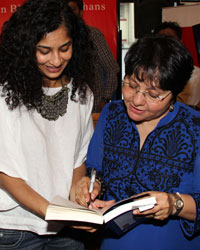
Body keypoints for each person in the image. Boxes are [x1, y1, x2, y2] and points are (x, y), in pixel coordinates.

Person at [75, 35, 200, 250]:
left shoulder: (194, 128)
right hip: (114, 243)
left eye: (153, 95)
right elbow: (97, 171)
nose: (137, 100)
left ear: (174, 94)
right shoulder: (112, 114)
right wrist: (92, 185)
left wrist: (174, 204)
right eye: (131, 85)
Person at [0, 0, 94, 249]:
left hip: (66, 228)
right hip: (15, 228)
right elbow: (6, 174)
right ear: (25, 48)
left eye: (65, 48)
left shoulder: (82, 93)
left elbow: (77, 159)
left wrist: (79, 192)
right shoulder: (4, 95)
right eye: (44, 50)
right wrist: (54, 212)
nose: (56, 59)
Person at [66, 0, 120, 113]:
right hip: (66, 107)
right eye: (64, 10)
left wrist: (105, 99)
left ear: (80, 12)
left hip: (92, 107)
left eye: (72, 9)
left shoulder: (92, 35)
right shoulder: (56, 37)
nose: (68, 13)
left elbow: (112, 69)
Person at [153, 21, 200, 109]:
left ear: (180, 43)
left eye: (170, 39)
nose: (166, 44)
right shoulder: (148, 73)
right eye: (161, 39)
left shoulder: (196, 75)